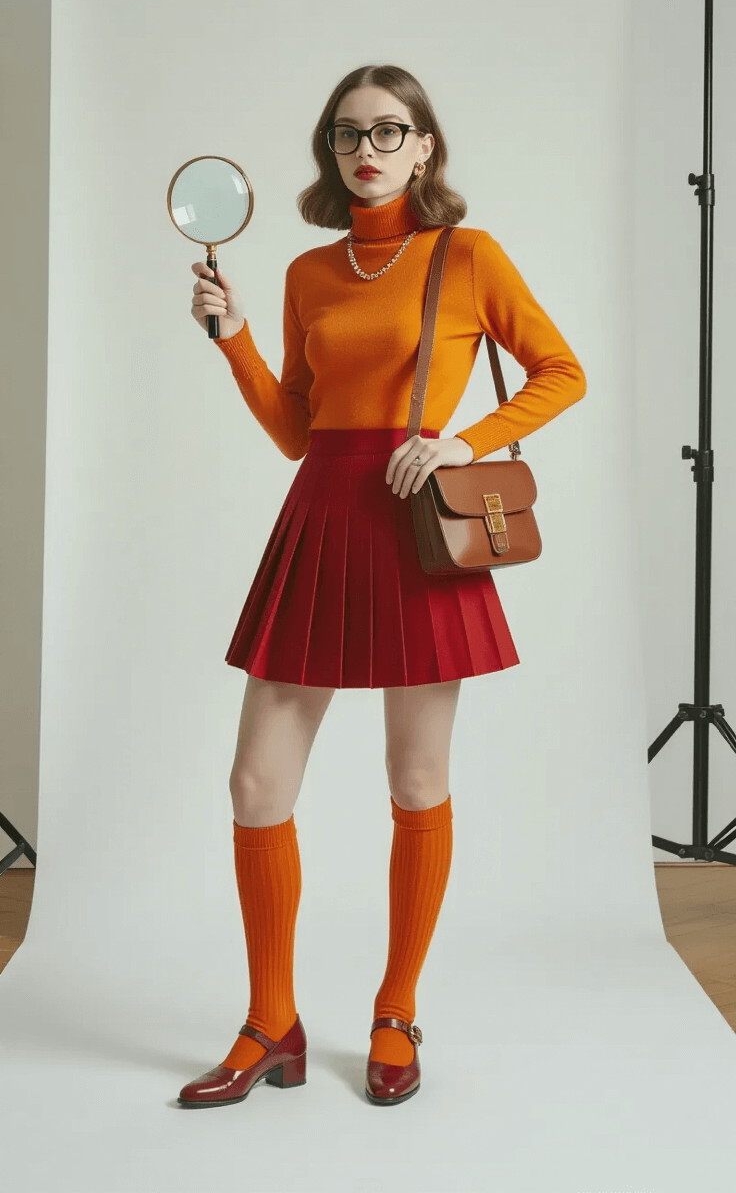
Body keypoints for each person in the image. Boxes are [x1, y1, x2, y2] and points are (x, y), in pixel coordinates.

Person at [177, 63, 587, 1110]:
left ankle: (395, 1008)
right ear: (329, 151)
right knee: (255, 787)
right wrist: (236, 343)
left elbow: (560, 369)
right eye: (347, 133)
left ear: (425, 148)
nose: (367, 148)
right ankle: (272, 1021)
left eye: (389, 130)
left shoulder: (467, 254)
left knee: (415, 785)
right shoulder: (309, 274)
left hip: (420, 532)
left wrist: (462, 441)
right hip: (320, 519)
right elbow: (293, 432)